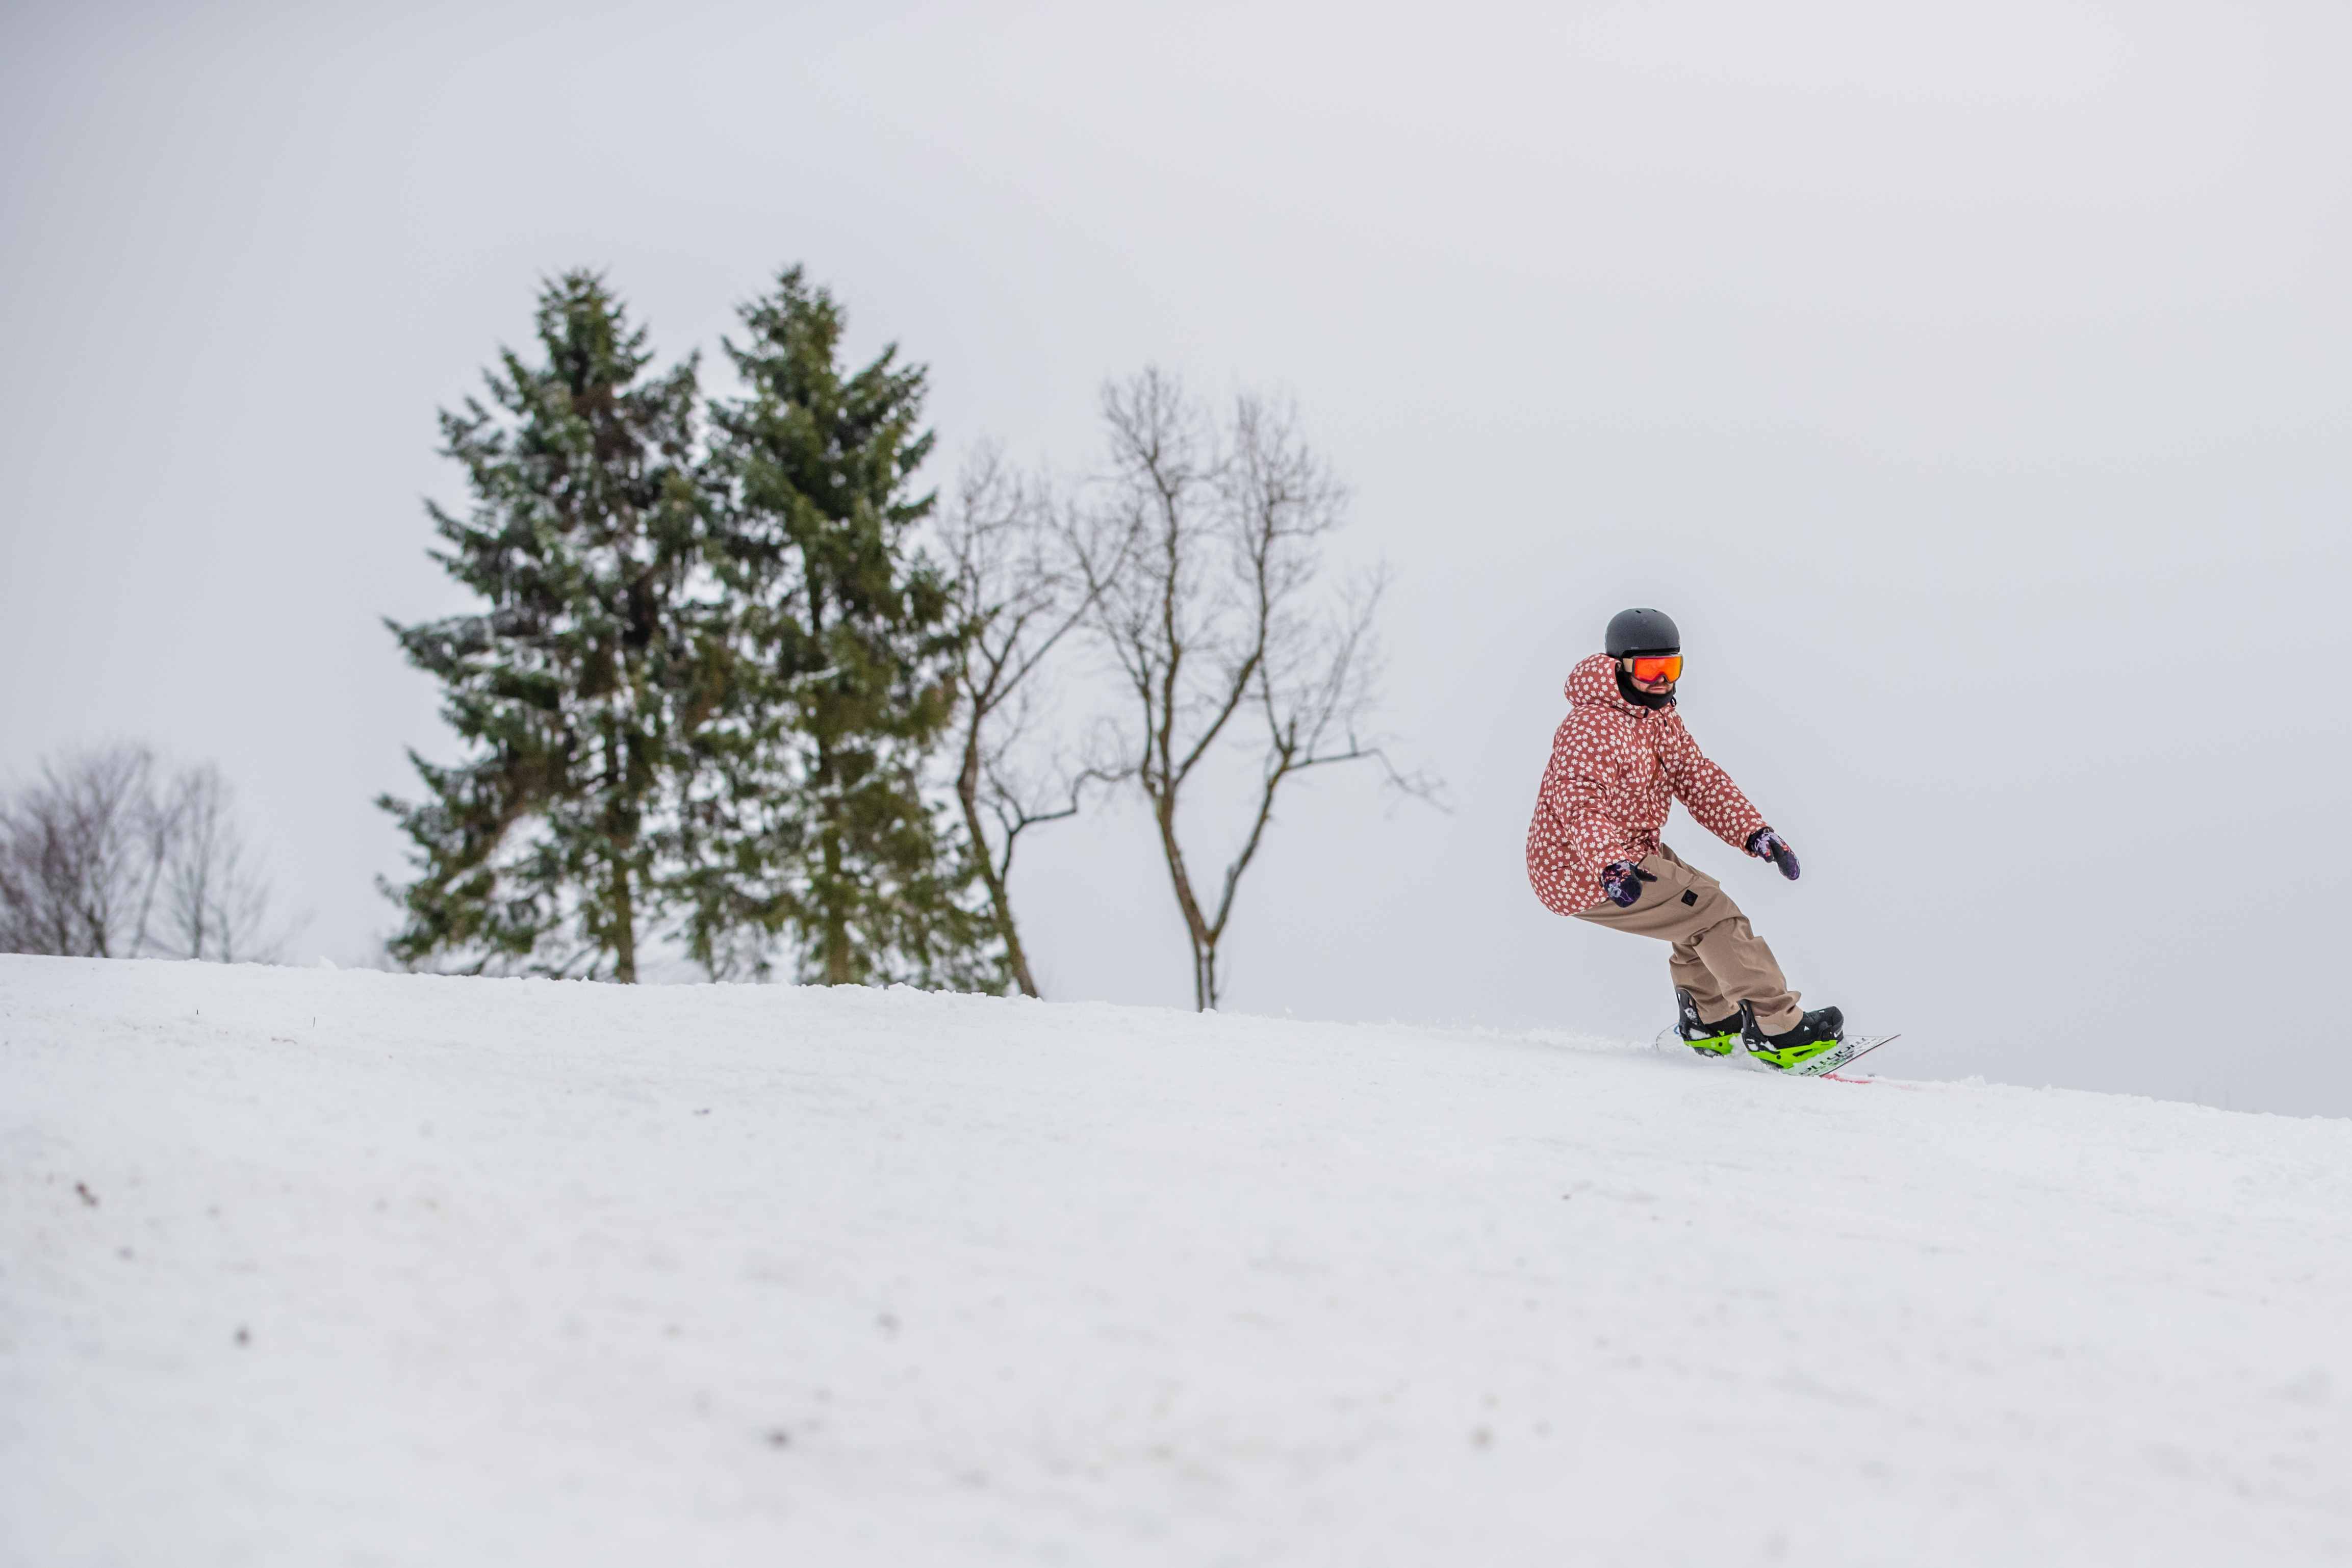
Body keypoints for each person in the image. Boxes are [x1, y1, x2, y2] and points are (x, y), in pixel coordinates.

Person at [1524, 607, 1845, 1070]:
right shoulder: (1591, 725)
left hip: (1631, 849)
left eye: (1670, 668)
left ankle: (1710, 1021)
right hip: (1582, 866)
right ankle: (1778, 1028)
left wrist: (1755, 832)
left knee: (1698, 903)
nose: (1661, 681)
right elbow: (1580, 804)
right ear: (1618, 668)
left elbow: (1698, 778)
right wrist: (1610, 865)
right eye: (1650, 669)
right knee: (1712, 911)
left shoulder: (1657, 719)